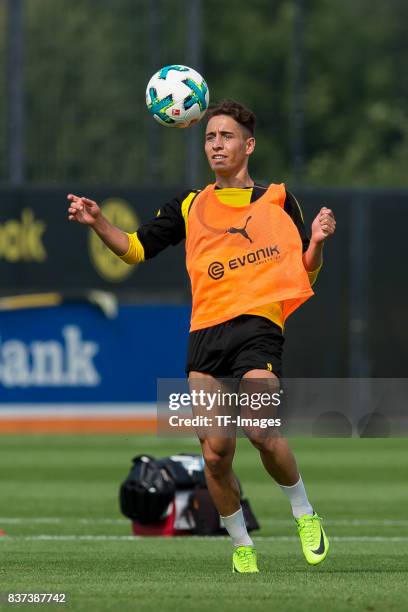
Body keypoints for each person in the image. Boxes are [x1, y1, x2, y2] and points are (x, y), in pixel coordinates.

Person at [67, 99, 336, 574]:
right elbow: (134, 249)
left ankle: (304, 513)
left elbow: (305, 276)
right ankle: (240, 545)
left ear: (248, 145)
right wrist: (98, 222)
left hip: (259, 328)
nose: (216, 144)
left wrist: (314, 242)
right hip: (205, 336)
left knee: (261, 430)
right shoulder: (190, 205)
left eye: (226, 136)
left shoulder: (279, 199)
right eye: (210, 137)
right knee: (215, 452)